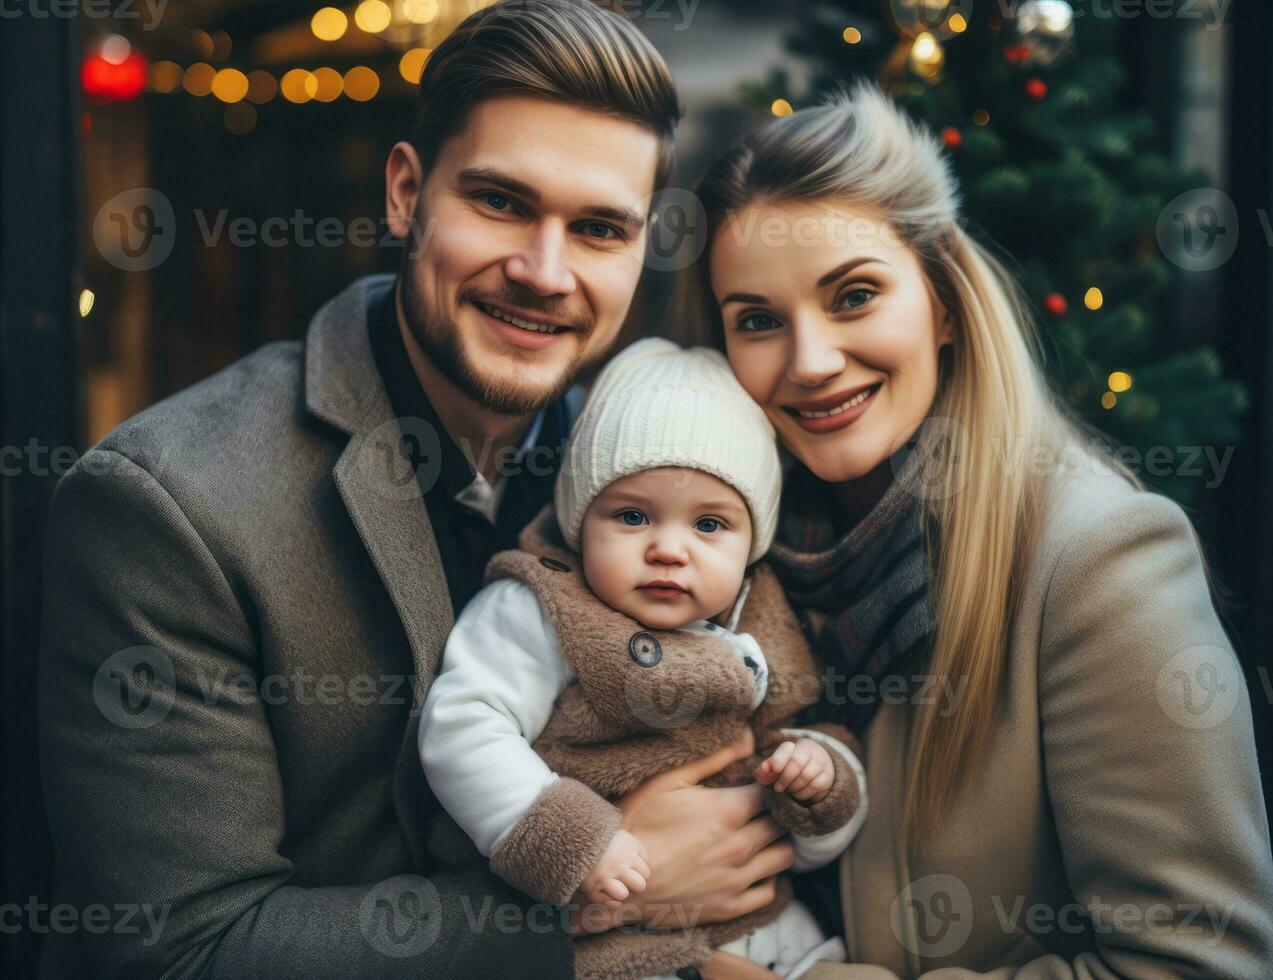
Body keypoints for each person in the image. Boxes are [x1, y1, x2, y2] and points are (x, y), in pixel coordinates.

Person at [36, 3, 796, 976]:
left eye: (599, 227)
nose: (543, 270)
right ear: (406, 194)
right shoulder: (167, 504)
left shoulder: (651, 465)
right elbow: (171, 953)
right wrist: (602, 904)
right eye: (501, 203)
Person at [675, 80, 1273, 978]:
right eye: (759, 321)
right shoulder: (717, 560)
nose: (809, 362)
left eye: (853, 296)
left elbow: (1202, 967)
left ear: (944, 303)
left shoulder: (1098, 560)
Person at [419, 338, 868, 979]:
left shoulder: (759, 619)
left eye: (709, 525)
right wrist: (571, 842)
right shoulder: (542, 606)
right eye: (632, 516)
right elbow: (463, 722)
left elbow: (803, 760)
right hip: (617, 939)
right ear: (580, 523)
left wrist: (821, 786)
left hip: (765, 927)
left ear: (751, 545)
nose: (668, 549)